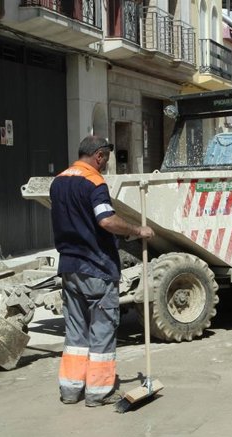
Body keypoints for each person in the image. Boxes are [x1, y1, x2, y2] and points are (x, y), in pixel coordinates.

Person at [50, 135, 155, 407]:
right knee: (102, 329)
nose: (106, 163)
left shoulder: (58, 182)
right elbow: (106, 220)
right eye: (106, 158)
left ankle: (71, 391)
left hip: (69, 268)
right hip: (96, 267)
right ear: (98, 155)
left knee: (75, 332)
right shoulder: (95, 182)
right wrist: (136, 230)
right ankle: (98, 392)